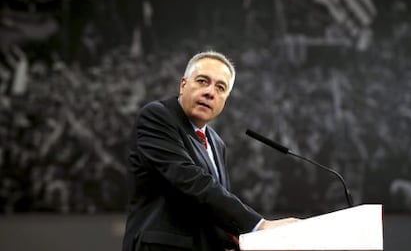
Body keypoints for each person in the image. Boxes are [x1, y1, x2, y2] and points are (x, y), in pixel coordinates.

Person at [122, 51, 297, 251]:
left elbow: (210, 206)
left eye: (220, 88)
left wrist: (236, 239)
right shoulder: (157, 116)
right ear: (183, 85)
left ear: (225, 99)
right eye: (203, 81)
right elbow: (191, 181)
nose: (210, 92)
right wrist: (258, 225)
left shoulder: (216, 142)